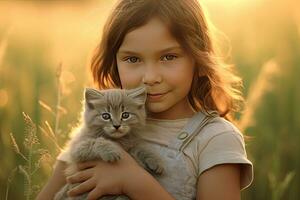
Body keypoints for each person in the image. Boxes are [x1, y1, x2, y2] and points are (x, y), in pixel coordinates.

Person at [36, 0, 253, 199]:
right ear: (115, 63)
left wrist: (132, 180)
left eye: (169, 57)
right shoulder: (97, 131)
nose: (150, 78)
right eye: (133, 59)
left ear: (200, 59)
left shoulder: (214, 139)